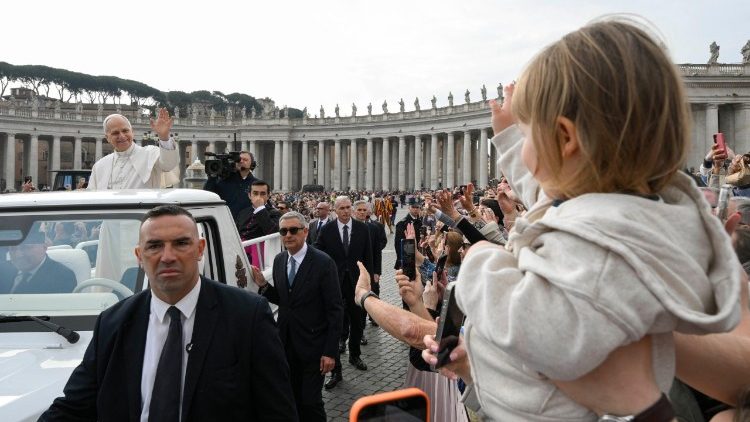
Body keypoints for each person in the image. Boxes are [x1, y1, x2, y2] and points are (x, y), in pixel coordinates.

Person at [423, 20, 742, 421]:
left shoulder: (603, 250)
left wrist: (480, 264)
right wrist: (509, 139)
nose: (524, 155)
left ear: (565, 137)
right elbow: (549, 197)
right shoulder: (623, 213)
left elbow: (537, 327)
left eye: (529, 135)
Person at [40, 205, 298, 421]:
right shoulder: (113, 322)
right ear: (140, 256)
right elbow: (74, 406)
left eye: (181, 243)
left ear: (199, 249)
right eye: (154, 246)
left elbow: (277, 412)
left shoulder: (247, 316)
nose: (167, 256)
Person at [251, 211, 343, 422]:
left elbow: (335, 310)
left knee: (311, 402)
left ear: (305, 231)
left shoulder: (323, 262)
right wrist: (264, 286)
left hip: (314, 346)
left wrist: (330, 352)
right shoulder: (279, 259)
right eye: (283, 231)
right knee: (290, 396)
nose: (288, 235)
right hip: (285, 344)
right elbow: (285, 301)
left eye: (293, 230)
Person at [314, 196, 373, 389]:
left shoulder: (363, 228)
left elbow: (368, 255)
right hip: (334, 282)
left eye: (348, 207)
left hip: (356, 282)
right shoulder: (327, 230)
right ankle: (336, 370)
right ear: (334, 210)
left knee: (357, 320)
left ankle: (355, 355)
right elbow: (318, 251)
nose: (346, 211)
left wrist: (370, 278)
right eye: (342, 208)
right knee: (334, 323)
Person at [87, 109, 179, 190]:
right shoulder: (99, 166)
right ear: (107, 138)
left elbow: (168, 164)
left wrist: (164, 137)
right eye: (115, 133)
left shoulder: (150, 153)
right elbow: (91, 196)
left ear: (132, 132)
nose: (122, 136)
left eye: (125, 131)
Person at [0, 231, 76, 294]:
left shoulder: (63, 276)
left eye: (26, 247)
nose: (18, 255)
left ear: (44, 247)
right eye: (13, 249)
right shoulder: (3, 271)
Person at [203, 151, 258, 219]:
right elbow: (207, 195)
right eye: (239, 159)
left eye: (245, 160)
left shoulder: (257, 184)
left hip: (247, 226)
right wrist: (212, 177)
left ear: (252, 164)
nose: (241, 161)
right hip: (226, 222)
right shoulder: (222, 181)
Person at [394, 203, 422, 270]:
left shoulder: (420, 221)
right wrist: (401, 260)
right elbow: (398, 244)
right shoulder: (402, 223)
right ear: (409, 208)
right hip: (408, 257)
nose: (415, 209)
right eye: (413, 207)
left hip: (419, 256)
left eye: (417, 207)